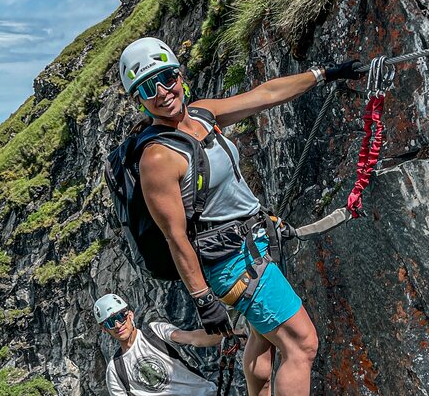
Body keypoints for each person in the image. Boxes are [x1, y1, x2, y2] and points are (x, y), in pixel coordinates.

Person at [115, 37, 362, 396]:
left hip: (250, 246)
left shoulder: (201, 114)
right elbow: (176, 237)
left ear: (179, 75)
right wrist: (203, 301)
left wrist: (323, 74)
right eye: (147, 88)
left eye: (166, 78)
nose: (162, 92)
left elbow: (264, 95)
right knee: (302, 345)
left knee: (265, 344)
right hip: (232, 263)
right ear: (139, 99)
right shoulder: (157, 157)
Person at [96, 293, 225, 395]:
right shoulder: (115, 370)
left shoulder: (155, 332)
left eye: (120, 317)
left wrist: (229, 334)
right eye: (110, 322)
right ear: (104, 329)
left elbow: (193, 337)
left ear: (130, 315)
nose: (118, 325)